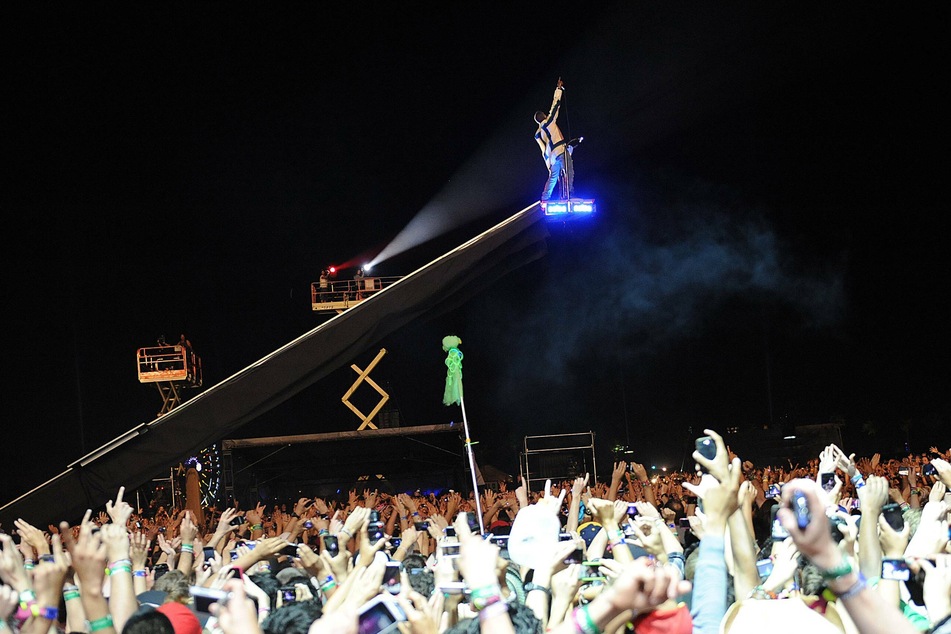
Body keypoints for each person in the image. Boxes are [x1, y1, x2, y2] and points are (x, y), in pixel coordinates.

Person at [534, 77, 573, 201]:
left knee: (553, 177)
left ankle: (545, 198)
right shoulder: (548, 122)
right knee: (569, 171)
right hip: (559, 151)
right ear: (544, 116)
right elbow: (555, 105)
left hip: (551, 157)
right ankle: (569, 194)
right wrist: (559, 89)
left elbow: (542, 144)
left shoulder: (539, 132)